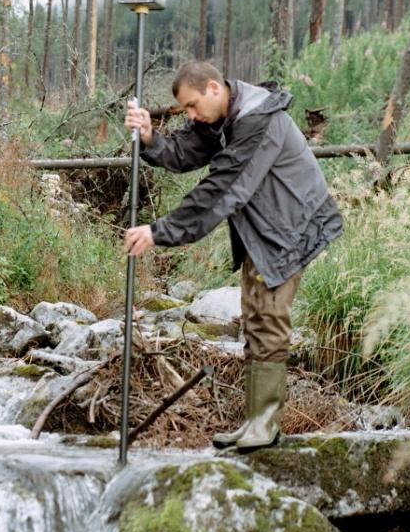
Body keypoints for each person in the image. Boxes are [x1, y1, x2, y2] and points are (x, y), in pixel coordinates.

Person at [124, 61, 343, 452]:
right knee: (255, 320)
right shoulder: (225, 116)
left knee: (269, 321)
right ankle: (256, 423)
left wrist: (159, 232)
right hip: (263, 230)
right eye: (186, 111)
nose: (191, 116)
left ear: (213, 88)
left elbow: (222, 190)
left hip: (291, 228)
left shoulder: (257, 121)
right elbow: (184, 151)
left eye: (192, 106)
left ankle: (265, 425)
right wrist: (150, 137)